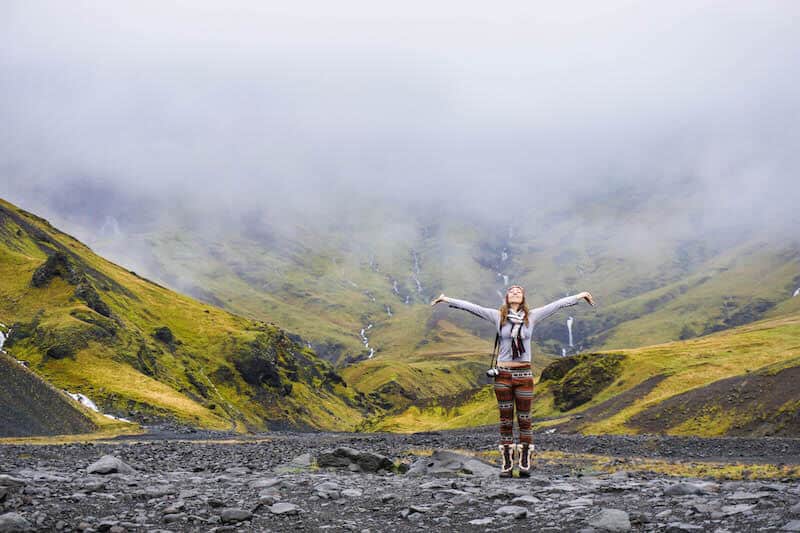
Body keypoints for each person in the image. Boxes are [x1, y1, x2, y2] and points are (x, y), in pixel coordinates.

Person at [431, 286, 595, 478]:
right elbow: (472, 307)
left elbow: (555, 306)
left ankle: (525, 460)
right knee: (506, 419)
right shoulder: (497, 316)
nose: (515, 292)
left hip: (524, 375)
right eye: (511, 290)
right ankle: (507, 463)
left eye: (519, 291)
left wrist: (579, 296)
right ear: (507, 297)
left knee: (525, 419)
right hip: (503, 374)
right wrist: (447, 299)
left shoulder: (531, 317)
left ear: (523, 297)